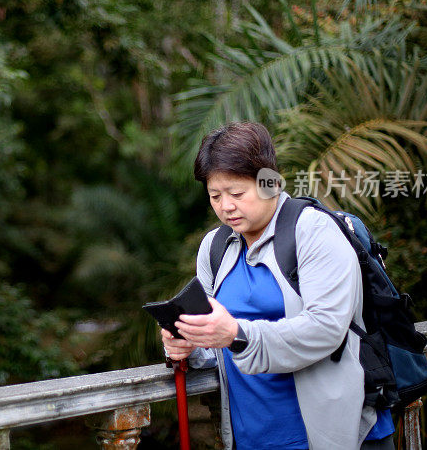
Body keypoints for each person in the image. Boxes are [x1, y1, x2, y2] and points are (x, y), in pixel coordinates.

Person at [161, 122, 394, 450]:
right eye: (215, 195)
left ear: (269, 182)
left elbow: (326, 328)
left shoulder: (314, 232)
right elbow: (219, 343)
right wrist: (189, 344)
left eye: (237, 193)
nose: (226, 206)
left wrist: (237, 335)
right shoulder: (215, 247)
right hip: (253, 435)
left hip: (333, 433)